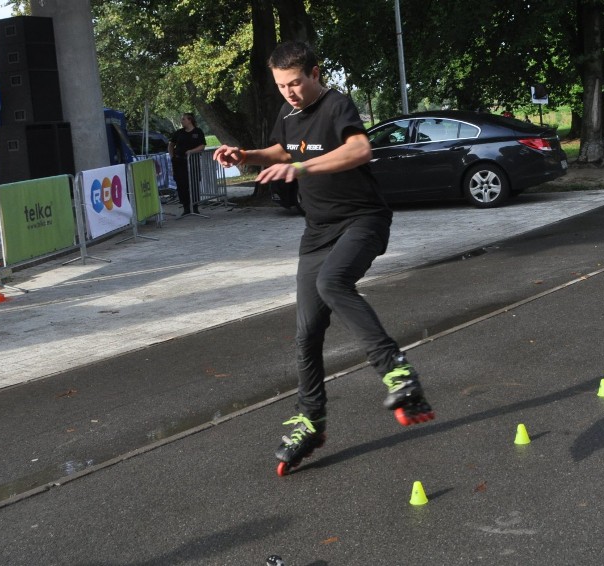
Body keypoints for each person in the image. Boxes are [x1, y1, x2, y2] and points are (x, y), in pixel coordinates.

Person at [213, 41, 434, 474]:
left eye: (296, 83)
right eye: (281, 86)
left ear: (316, 73)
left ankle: (398, 371)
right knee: (307, 331)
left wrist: (301, 169)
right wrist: (246, 155)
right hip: (317, 232)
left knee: (332, 283)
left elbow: (358, 150)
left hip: (362, 220)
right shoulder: (289, 113)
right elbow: (283, 150)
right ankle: (311, 419)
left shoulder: (337, 105)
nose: (289, 93)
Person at [168, 113, 206, 216]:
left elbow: (202, 146)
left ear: (190, 120)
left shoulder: (198, 132)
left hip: (192, 162)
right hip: (179, 162)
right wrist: (172, 156)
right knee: (181, 185)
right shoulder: (179, 133)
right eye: (181, 119)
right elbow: (171, 145)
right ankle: (186, 208)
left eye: (183, 119)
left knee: (194, 183)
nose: (182, 121)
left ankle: (195, 207)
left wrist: (191, 151)